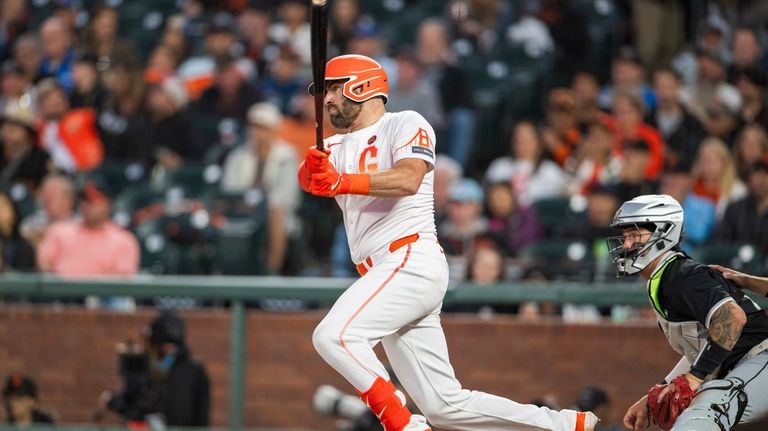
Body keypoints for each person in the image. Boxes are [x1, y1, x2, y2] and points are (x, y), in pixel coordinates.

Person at [299, 54, 597, 431]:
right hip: (384, 276)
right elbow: (309, 178)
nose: (325, 100)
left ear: (362, 86)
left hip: (410, 259)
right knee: (444, 405)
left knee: (334, 335)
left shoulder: (405, 123)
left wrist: (341, 181)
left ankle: (401, 423)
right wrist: (313, 170)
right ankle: (568, 426)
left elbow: (408, 179)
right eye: (323, 91)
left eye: (333, 89)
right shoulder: (336, 146)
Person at [605, 194, 768, 430]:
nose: (627, 244)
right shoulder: (665, 277)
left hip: (759, 356)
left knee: (707, 409)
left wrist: (694, 378)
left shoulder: (682, 275)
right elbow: (702, 347)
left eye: (635, 235)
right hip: (746, 367)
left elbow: (733, 318)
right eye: (625, 237)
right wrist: (659, 392)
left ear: (664, 232)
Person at [103, 311, 210, 427]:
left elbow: (202, 415)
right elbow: (134, 407)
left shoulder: (194, 371)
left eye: (172, 346)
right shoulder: (145, 366)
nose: (168, 350)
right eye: (164, 346)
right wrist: (113, 402)